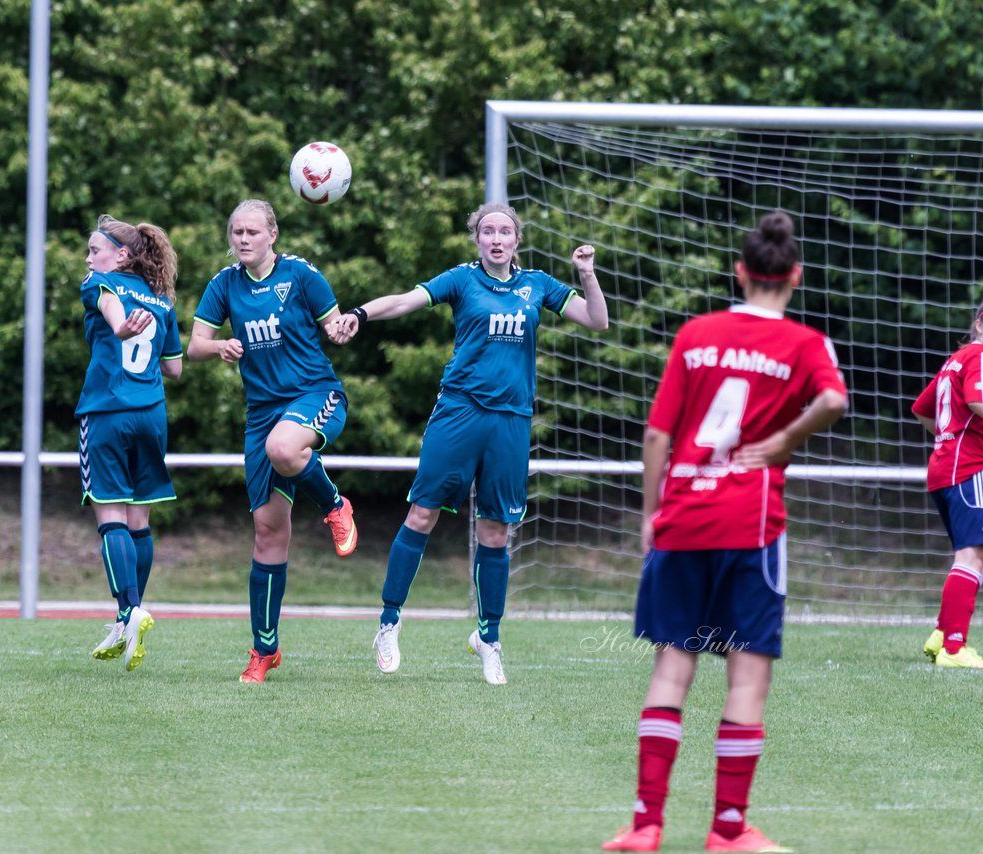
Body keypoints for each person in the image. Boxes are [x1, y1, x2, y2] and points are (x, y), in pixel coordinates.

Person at [601, 212, 848, 853]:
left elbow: (658, 435)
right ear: (794, 275)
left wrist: (652, 515)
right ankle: (728, 831)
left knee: (671, 667)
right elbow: (834, 401)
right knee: (746, 677)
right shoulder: (804, 343)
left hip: (682, 516)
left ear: (740, 271)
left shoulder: (697, 333)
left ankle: (646, 825)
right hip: (751, 524)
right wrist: (783, 442)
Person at [329, 201, 609, 685]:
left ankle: (489, 637)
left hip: (511, 422)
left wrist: (586, 274)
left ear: (516, 240)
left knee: (496, 532)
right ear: (476, 240)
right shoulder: (461, 280)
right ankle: (389, 622)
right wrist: (359, 313)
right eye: (487, 232)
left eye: (505, 231)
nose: (496, 239)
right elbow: (403, 301)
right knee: (422, 514)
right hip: (459, 413)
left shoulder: (537, 285)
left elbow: (597, 320)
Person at [188, 199, 357, 683]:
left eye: (252, 231)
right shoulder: (224, 285)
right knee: (267, 532)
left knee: (284, 450)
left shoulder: (302, 276)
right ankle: (265, 651)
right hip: (261, 413)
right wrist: (218, 345)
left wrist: (343, 329)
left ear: (272, 235)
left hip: (314, 394)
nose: (243, 238)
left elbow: (333, 324)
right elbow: (195, 342)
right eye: (236, 231)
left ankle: (335, 506)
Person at [78, 214, 183, 672]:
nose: (88, 259)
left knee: (110, 517)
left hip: (106, 412)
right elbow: (175, 369)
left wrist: (120, 330)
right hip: (152, 414)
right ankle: (130, 614)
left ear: (121, 255)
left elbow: (112, 314)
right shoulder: (161, 299)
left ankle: (128, 612)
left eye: (94, 250)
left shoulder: (101, 284)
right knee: (139, 520)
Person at [911, 302, 983, 669]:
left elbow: (922, 410)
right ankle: (954, 648)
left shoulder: (955, 359)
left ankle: (942, 632)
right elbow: (976, 399)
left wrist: (947, 438)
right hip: (968, 468)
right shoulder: (979, 355)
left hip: (944, 467)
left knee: (970, 553)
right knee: (973, 554)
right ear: (980, 324)